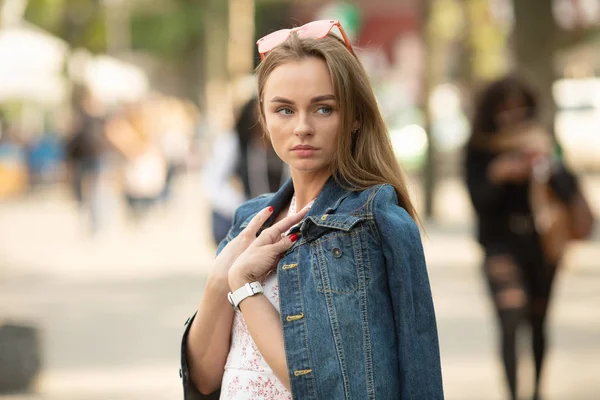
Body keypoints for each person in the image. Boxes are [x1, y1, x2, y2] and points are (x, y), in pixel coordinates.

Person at [181, 20, 443, 399]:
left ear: (354, 116)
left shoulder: (371, 223)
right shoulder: (249, 220)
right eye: (284, 110)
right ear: (264, 118)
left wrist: (245, 289)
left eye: (322, 109)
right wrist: (221, 279)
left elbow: (333, 389)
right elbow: (204, 381)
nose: (302, 127)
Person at [465, 75, 593, 400]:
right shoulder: (479, 147)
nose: (513, 116)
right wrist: (498, 174)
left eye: (519, 109)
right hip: (499, 245)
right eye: (505, 110)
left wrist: (547, 164)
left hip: (541, 246)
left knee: (538, 321)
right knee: (510, 320)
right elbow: (478, 200)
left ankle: (536, 392)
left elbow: (569, 192)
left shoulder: (544, 142)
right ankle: (512, 393)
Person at [203, 96, 289, 245]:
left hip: (279, 219)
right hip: (244, 218)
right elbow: (212, 182)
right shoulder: (233, 142)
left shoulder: (285, 143)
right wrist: (244, 208)